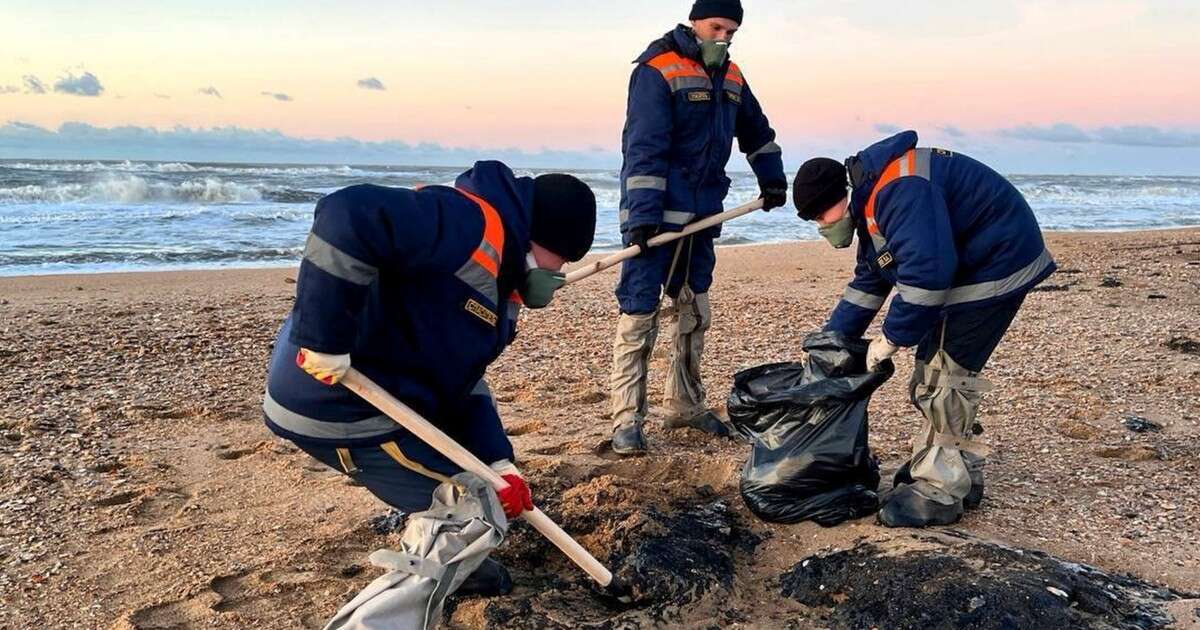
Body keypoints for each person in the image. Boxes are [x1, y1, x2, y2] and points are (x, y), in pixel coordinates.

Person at [262, 160, 596, 595]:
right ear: (539, 235)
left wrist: (498, 459)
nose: (560, 272)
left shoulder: (503, 285)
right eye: (562, 259)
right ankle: (394, 604)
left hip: (397, 397)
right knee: (476, 512)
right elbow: (347, 214)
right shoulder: (464, 223)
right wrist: (323, 339)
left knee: (484, 490)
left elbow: (463, 381)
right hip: (338, 402)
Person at [791, 130, 1057, 527]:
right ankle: (959, 468)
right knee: (933, 373)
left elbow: (928, 277)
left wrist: (890, 340)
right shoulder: (872, 200)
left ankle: (940, 490)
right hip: (973, 261)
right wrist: (831, 342)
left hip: (996, 264)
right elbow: (871, 280)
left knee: (944, 376)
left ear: (839, 198)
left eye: (819, 217)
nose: (820, 226)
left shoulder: (899, 192)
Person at [610, 0, 788, 455]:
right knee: (639, 312)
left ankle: (685, 405)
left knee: (693, 310)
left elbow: (757, 132)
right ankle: (627, 419)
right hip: (657, 217)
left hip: (705, 214)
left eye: (731, 30)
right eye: (716, 27)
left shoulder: (732, 76)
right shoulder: (656, 69)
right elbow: (643, 147)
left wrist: (772, 178)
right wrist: (642, 216)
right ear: (695, 23)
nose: (723, 37)